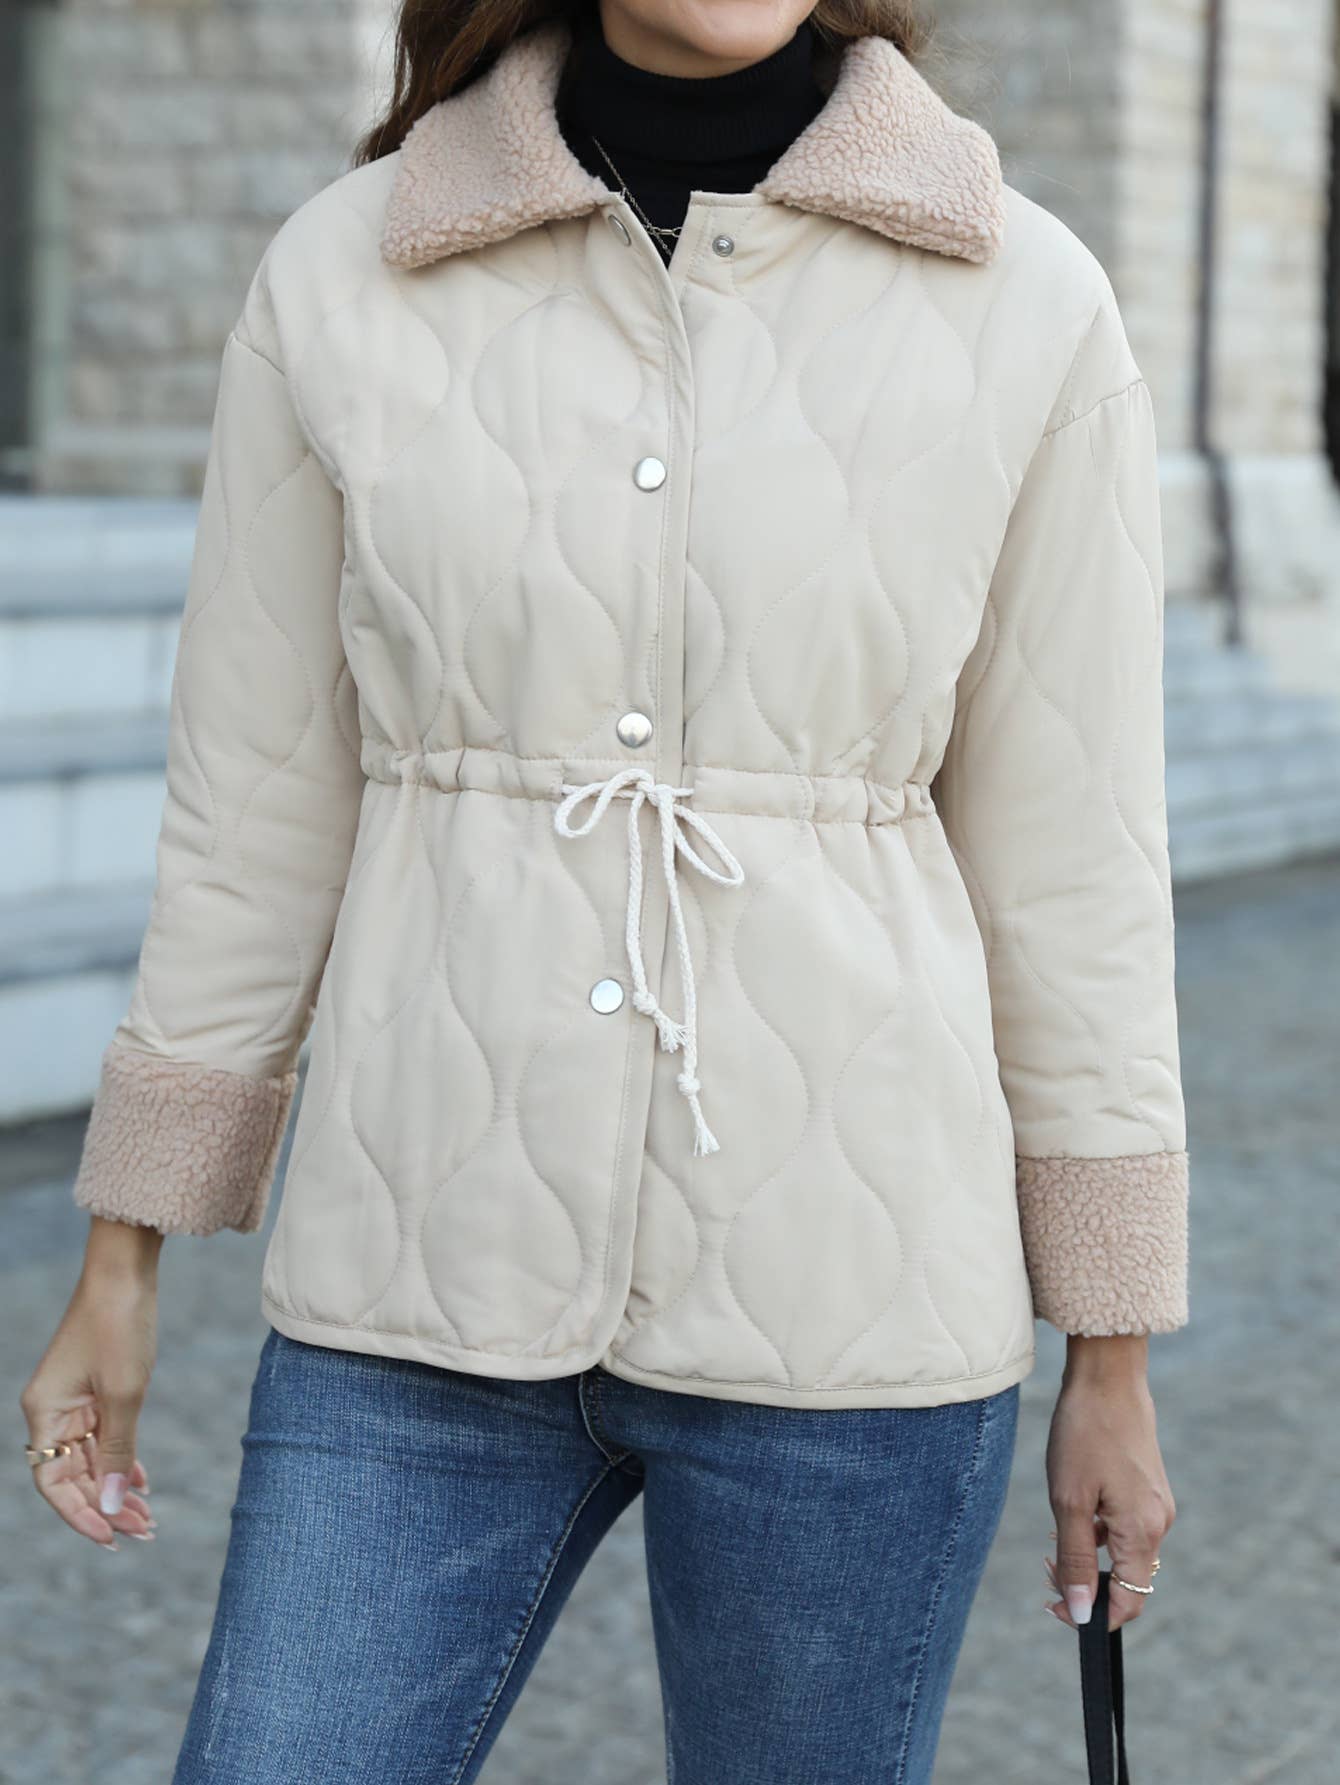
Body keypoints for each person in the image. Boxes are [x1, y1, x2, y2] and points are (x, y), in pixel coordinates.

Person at [19, 1, 1188, 1779]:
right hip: (413, 1279)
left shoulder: (1028, 300)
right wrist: (125, 1253)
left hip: (853, 1307)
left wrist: (1112, 1355)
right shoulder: (345, 270)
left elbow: (1077, 862)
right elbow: (252, 811)